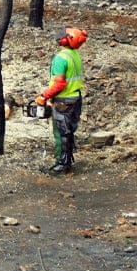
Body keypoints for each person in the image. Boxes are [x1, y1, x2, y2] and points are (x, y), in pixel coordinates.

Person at [36, 27, 88, 175]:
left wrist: (44, 96)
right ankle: (67, 161)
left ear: (65, 40)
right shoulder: (75, 55)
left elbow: (59, 84)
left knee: (61, 133)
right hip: (75, 97)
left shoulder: (61, 58)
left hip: (64, 101)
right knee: (69, 131)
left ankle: (62, 164)